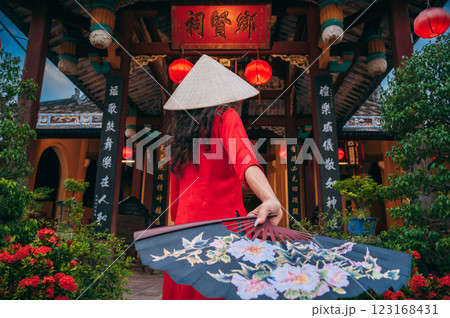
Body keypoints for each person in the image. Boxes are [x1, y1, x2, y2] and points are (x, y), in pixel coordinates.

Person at [161, 55, 283, 300]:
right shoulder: (225, 117)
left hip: (185, 236)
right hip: (222, 234)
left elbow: (175, 203)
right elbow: (245, 159)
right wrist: (269, 197)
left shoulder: (180, 139)